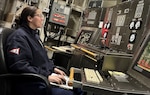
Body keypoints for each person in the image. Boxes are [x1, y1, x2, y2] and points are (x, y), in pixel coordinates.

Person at [5, 6, 80, 95]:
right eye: (39, 15)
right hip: (30, 83)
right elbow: (19, 65)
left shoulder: (34, 36)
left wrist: (53, 68)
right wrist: (46, 76)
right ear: (30, 18)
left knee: (79, 88)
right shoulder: (18, 37)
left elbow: (42, 59)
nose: (43, 18)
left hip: (40, 78)